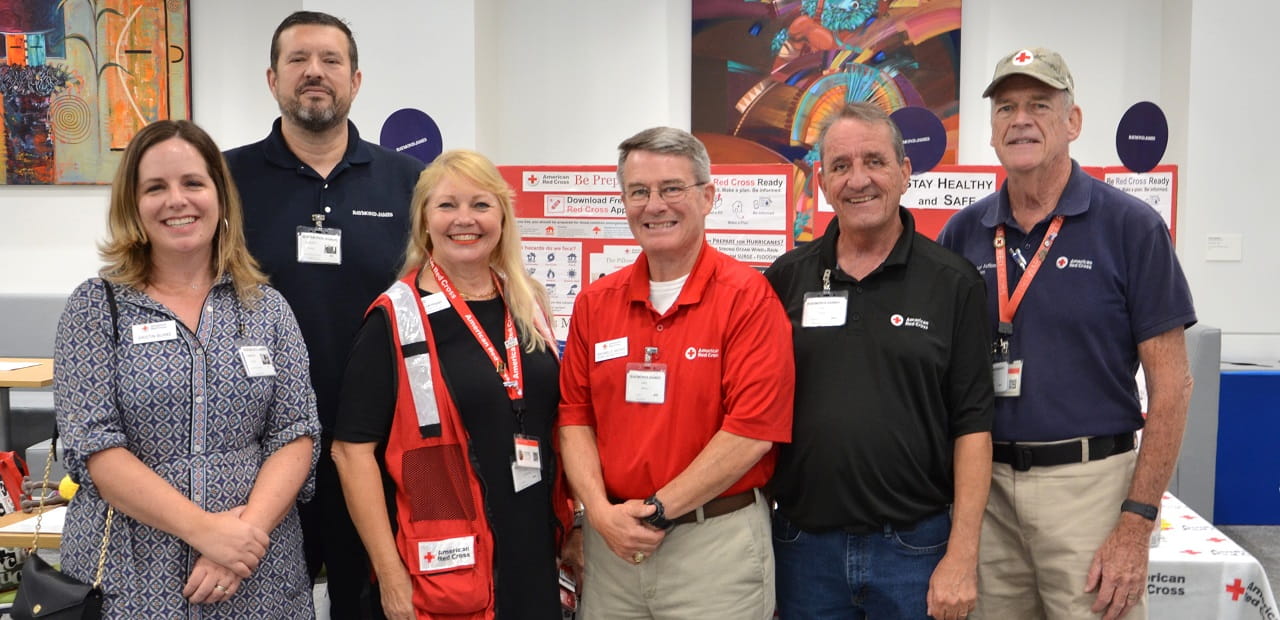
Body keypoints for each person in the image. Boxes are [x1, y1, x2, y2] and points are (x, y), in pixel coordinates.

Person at [936, 47, 1196, 620]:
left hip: (1091, 492)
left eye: (1039, 105)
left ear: (1072, 122)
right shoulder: (963, 232)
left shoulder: (1131, 227)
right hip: (986, 492)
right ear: (992, 129)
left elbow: (1174, 387)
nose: (1020, 119)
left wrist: (1135, 523)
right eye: (1006, 108)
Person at [54, 119, 320, 617]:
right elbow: (96, 449)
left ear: (220, 197)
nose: (177, 200)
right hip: (131, 578)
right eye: (156, 187)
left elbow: (296, 434)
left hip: (257, 571)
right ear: (133, 205)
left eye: (193, 183)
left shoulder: (267, 309)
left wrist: (238, 548)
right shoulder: (96, 309)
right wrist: (206, 532)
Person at [223, 11, 424, 616]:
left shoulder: (408, 181)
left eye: (331, 61)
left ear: (356, 80)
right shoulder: (225, 180)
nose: (315, 72)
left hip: (378, 447)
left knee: (371, 602)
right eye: (298, 60)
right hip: (259, 453)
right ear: (272, 78)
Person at [764, 102, 994, 620]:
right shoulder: (785, 280)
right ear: (821, 182)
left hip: (916, 549)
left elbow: (974, 427)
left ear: (905, 172)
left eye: (874, 161)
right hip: (805, 550)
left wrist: (962, 555)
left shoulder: (953, 283)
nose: (858, 179)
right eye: (840, 166)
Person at [558, 127, 794, 619]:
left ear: (707, 197)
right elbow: (574, 419)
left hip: (713, 550)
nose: (654, 205)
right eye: (639, 192)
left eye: (671, 189)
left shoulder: (747, 298)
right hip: (613, 550)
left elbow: (752, 433)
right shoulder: (595, 303)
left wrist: (658, 511)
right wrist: (600, 515)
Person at [331, 150, 577, 620]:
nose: (465, 219)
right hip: (445, 565)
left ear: (503, 216)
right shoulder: (396, 316)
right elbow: (351, 451)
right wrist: (390, 572)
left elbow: (556, 421)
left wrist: (577, 521)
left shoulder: (526, 301)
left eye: (481, 205)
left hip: (532, 551)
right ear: (424, 220)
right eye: (447, 205)